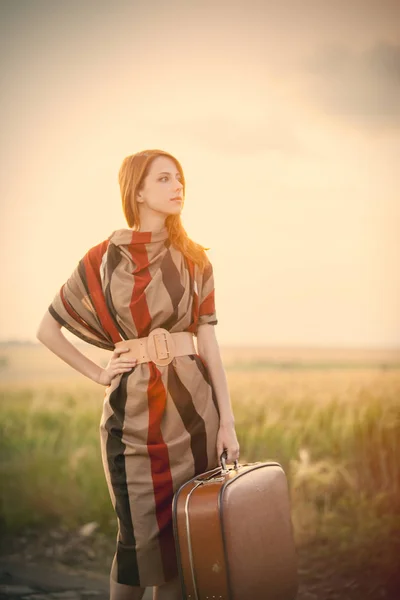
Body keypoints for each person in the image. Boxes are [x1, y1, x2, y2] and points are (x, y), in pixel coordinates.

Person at [36, 149, 240, 600]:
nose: (177, 186)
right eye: (164, 179)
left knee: (182, 550)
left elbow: (209, 344)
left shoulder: (196, 260)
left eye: (179, 178)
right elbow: (48, 328)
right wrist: (99, 373)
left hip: (195, 417)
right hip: (130, 422)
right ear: (139, 191)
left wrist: (226, 422)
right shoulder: (101, 261)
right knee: (136, 548)